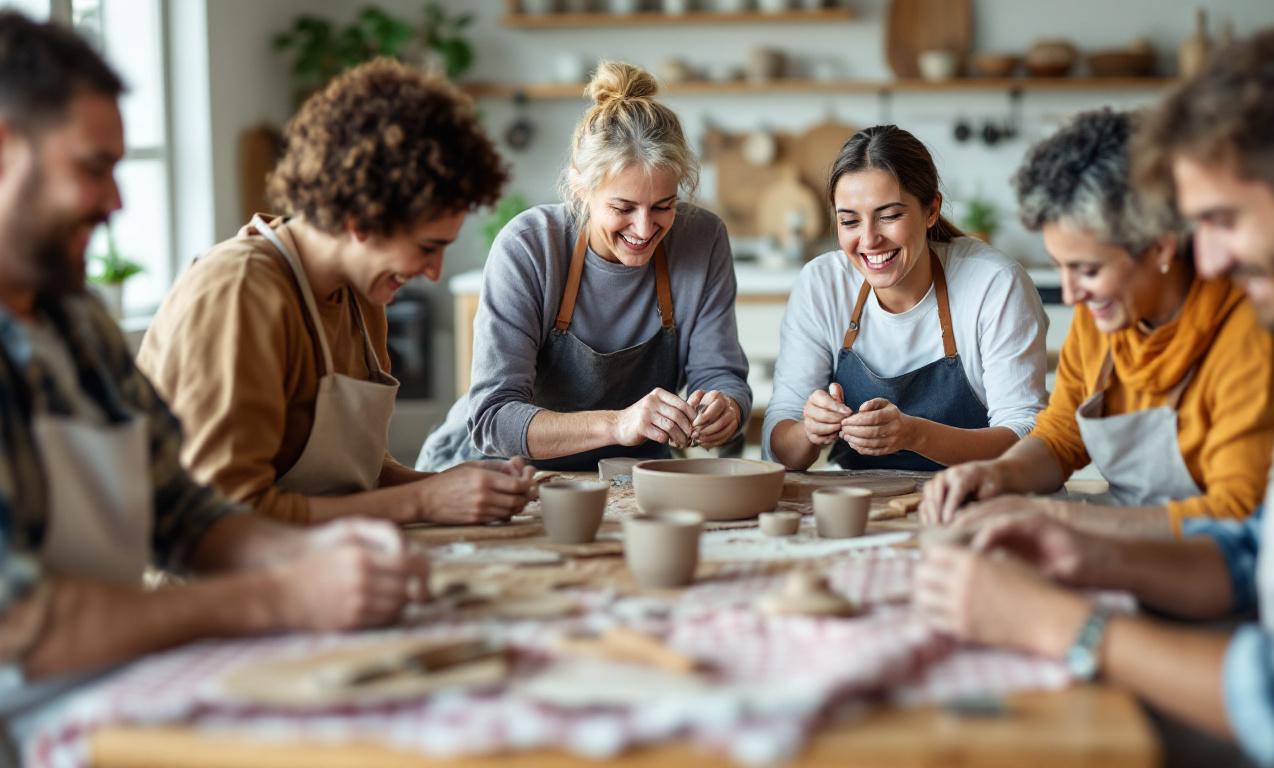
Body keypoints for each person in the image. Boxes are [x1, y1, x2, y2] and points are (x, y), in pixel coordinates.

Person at [914, 21, 1274, 765]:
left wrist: (1066, 626)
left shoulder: (1267, 326)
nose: (1206, 257)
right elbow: (1256, 548)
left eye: (1221, 221)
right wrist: (1080, 551)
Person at [0, 8, 425, 707]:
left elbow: (185, 517)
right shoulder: (237, 287)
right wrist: (278, 595)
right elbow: (26, 626)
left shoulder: (76, 326)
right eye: (93, 168)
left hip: (123, 693)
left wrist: (324, 556)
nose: (116, 200)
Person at [136, 59, 535, 527]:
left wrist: (446, 484)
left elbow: (353, 477)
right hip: (208, 587)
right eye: (428, 248)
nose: (434, 272)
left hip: (307, 561)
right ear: (361, 220)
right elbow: (225, 515)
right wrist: (423, 503)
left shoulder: (360, 295)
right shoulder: (241, 291)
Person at [919, 109, 1274, 538]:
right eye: (1061, 268)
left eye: (1088, 270)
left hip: (1220, 567)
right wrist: (996, 475)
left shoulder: (1248, 328)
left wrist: (1061, 520)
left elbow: (1236, 512)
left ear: (1161, 247)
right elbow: (1061, 438)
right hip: (1125, 546)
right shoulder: (1107, 318)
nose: (1072, 294)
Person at [417, 61, 751, 472]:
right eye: (622, 208)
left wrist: (725, 406)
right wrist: (619, 423)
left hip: (628, 476)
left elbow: (721, 374)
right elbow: (492, 418)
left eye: (663, 206)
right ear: (580, 186)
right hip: (502, 473)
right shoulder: (530, 247)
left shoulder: (702, 238)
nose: (645, 229)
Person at [764, 125, 1048, 471]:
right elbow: (779, 446)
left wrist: (916, 435)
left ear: (931, 210)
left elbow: (1026, 437)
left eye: (889, 216)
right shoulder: (822, 284)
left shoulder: (994, 284)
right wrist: (808, 431)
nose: (869, 240)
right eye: (850, 221)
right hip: (863, 505)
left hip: (979, 500)